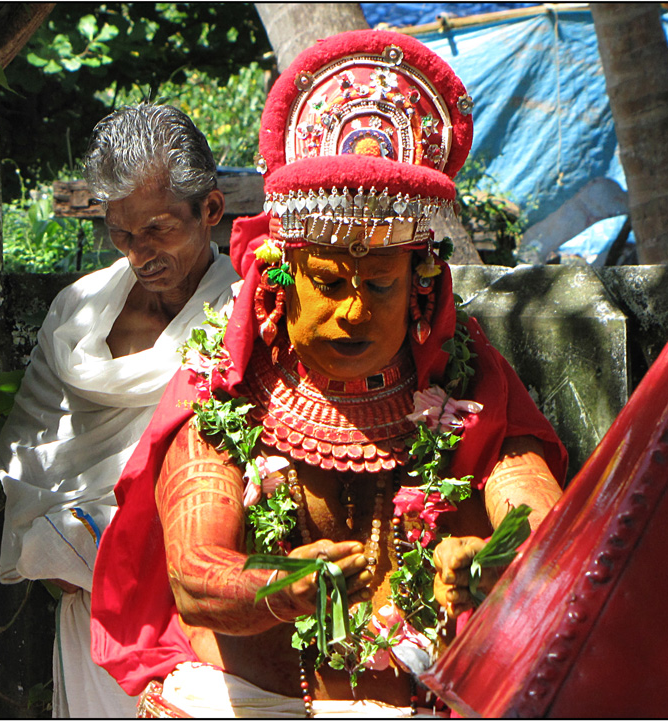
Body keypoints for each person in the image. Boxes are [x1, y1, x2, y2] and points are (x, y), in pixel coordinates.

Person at [90, 31, 568, 717]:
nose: (352, 312)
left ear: (421, 285)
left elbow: (542, 516)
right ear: (283, 282)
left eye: (378, 285)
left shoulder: (467, 379)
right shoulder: (225, 387)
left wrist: (496, 558)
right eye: (328, 282)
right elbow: (194, 572)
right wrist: (277, 587)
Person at [0, 103, 238, 718]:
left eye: (159, 230)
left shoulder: (244, 313)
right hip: (87, 608)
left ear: (209, 211)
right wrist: (55, 550)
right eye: (122, 234)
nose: (140, 254)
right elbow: (26, 445)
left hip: (194, 621)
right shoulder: (76, 308)